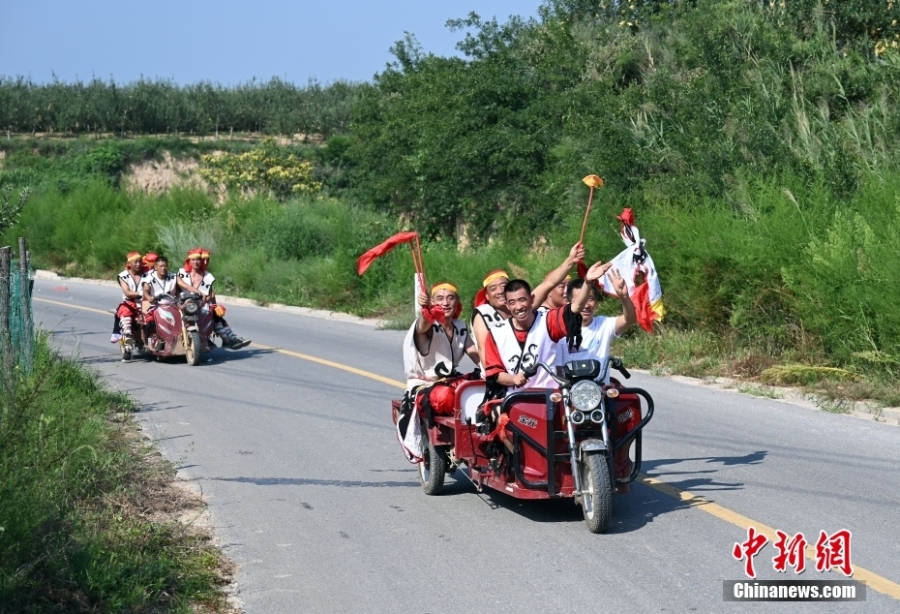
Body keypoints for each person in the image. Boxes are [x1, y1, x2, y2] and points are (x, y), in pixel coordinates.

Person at [397, 281, 480, 462]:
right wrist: (425, 311)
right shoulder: (427, 327)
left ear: (457, 303)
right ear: (432, 302)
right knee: (449, 397)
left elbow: (476, 354)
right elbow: (422, 325)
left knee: (481, 389)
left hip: (450, 381)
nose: (445, 303)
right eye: (440, 299)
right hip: (426, 385)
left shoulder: (460, 326)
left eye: (450, 298)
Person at [471, 242, 585, 367]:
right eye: (493, 288)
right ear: (486, 296)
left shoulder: (522, 305)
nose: (500, 292)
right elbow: (484, 349)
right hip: (500, 376)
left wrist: (570, 261)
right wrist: (497, 378)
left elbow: (548, 284)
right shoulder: (484, 313)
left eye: (503, 286)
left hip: (529, 374)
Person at [556, 271, 636, 381]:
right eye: (581, 300)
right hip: (572, 393)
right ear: (569, 303)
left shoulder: (603, 324)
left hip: (600, 392)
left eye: (590, 299)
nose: (586, 305)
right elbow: (558, 370)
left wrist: (624, 296)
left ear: (596, 302)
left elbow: (629, 319)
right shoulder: (559, 331)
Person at [177, 247, 250, 349]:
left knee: (216, 316)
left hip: (201, 304)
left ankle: (229, 339)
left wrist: (215, 306)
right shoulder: (181, 273)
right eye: (193, 260)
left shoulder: (207, 276)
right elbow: (175, 288)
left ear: (201, 261)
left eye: (198, 260)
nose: (196, 262)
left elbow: (211, 294)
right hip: (183, 303)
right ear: (189, 260)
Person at [142, 255, 178, 351]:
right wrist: (149, 297)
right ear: (155, 267)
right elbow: (145, 291)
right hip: (157, 306)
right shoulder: (149, 278)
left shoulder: (174, 277)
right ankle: (157, 339)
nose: (163, 268)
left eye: (165, 266)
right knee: (151, 319)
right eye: (161, 266)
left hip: (173, 305)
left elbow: (182, 286)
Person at [111, 251, 143, 344]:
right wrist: (142, 293)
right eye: (135, 262)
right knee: (125, 310)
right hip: (130, 303)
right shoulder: (123, 276)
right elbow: (127, 293)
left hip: (145, 302)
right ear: (129, 263)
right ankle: (128, 334)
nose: (138, 264)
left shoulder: (147, 274)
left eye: (140, 261)